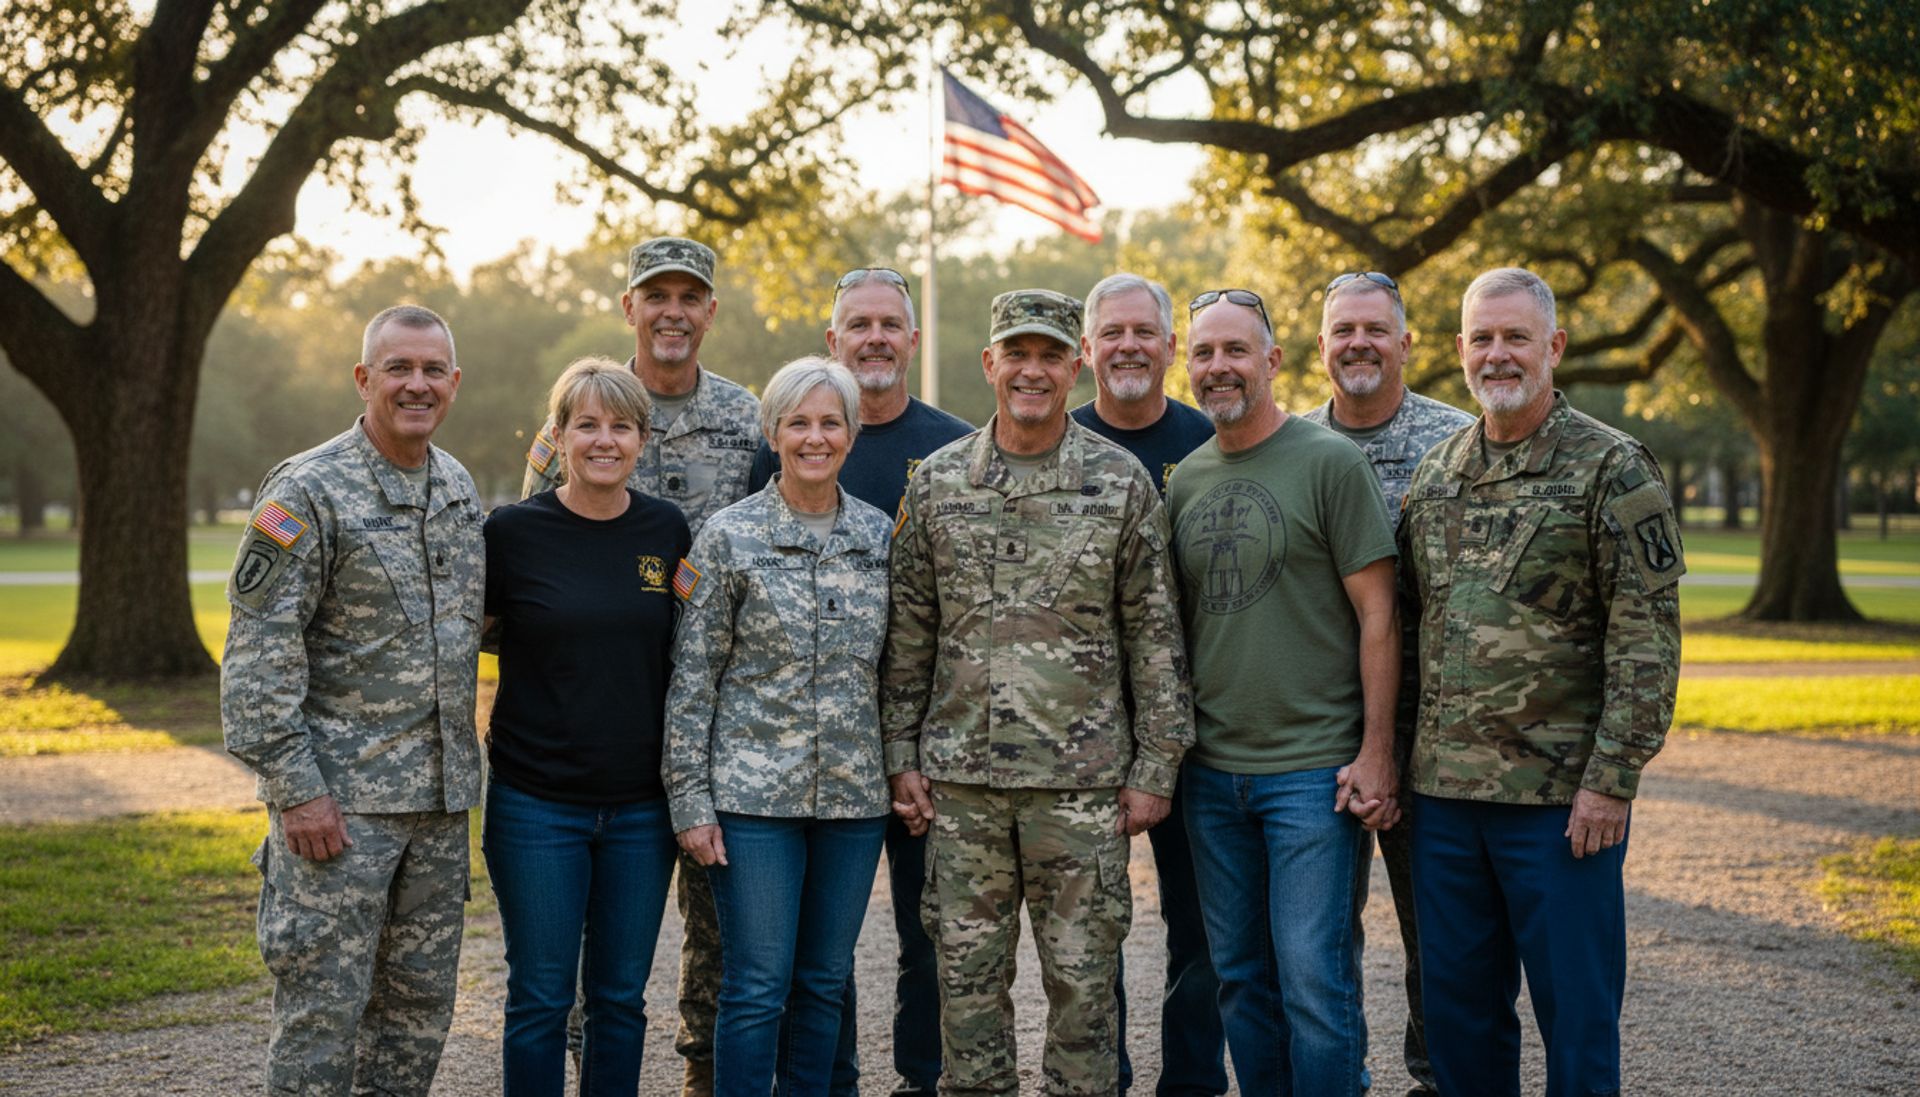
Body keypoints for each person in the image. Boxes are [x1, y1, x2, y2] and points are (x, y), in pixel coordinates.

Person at [883, 289, 1194, 1097]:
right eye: (1016, 352)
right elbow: (911, 633)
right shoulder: (941, 482)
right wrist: (900, 754)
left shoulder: (1120, 484)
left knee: (1085, 994)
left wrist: (1155, 766)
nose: (1032, 369)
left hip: (1081, 790)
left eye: (1050, 354)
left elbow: (1155, 636)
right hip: (963, 789)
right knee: (968, 995)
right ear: (990, 363)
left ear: (1075, 363)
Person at [1399, 267, 1683, 1097]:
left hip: (1561, 807)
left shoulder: (1612, 468)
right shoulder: (1437, 472)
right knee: (1458, 1021)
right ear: (1459, 352)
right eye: (1481, 339)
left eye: (1515, 336)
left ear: (1552, 345)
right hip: (1446, 802)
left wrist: (1612, 779)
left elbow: (1647, 637)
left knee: (1578, 1020)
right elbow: (1414, 627)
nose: (1497, 354)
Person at [222, 304, 483, 1096]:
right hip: (339, 815)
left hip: (437, 813)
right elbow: (257, 660)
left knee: (415, 1019)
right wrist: (298, 793)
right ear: (364, 378)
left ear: (454, 382)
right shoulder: (306, 490)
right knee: (321, 1022)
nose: (416, 384)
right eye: (398, 368)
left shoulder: (458, 484)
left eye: (432, 370)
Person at [517, 235, 757, 1097]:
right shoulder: (575, 415)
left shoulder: (747, 418)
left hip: (716, 715)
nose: (672, 311)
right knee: (585, 938)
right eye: (656, 295)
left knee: (718, 917)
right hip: (599, 716)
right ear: (630, 307)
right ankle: (587, 1062)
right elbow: (538, 563)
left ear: (708, 313)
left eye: (689, 296)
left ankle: (701, 1072)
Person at [1166, 288, 1400, 1097]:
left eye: (1236, 350)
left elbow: (1379, 614)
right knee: (1238, 976)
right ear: (1187, 367)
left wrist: (1376, 753)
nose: (1219, 366)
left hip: (1312, 773)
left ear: (1272, 361)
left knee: (1314, 979)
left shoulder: (1330, 462)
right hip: (1212, 772)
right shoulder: (1187, 479)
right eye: (1204, 353)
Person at [746, 266, 972, 1097]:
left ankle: (922, 1075)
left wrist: (924, 741)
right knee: (819, 946)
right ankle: (827, 1081)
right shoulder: (780, 448)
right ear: (831, 338)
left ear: (912, 339)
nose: (875, 337)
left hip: (922, 745)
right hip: (812, 750)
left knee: (928, 928)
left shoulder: (955, 447)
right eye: (858, 324)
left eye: (890, 323)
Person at [665, 357, 896, 1097]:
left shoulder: (879, 537)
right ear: (772, 432)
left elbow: (898, 673)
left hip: (853, 803)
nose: (814, 437)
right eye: (798, 422)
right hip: (752, 802)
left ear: (852, 434)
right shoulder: (729, 538)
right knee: (758, 985)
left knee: (824, 981)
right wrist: (691, 803)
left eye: (831, 421)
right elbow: (691, 678)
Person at [481, 358, 690, 1095]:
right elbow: (469, 639)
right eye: (588, 424)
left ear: (642, 438)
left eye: (622, 425)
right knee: (540, 997)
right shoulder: (509, 534)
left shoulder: (668, 529)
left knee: (619, 1000)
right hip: (536, 804)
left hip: (640, 807)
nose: (606, 440)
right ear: (559, 434)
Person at [1299, 270, 1474, 1097]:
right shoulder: (1285, 443)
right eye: (1343, 330)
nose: (1358, 344)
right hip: (1310, 734)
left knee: (1437, 938)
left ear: (1406, 343)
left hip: (1430, 737)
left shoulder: (1461, 444)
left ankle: (1436, 1078)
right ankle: (1337, 1078)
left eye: (1375, 329)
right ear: (1321, 346)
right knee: (1313, 942)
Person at [1070, 273, 1223, 1097]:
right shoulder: (1057, 441)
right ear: (1087, 348)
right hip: (1082, 727)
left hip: (1196, 728)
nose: (1127, 346)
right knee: (1090, 928)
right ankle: (1107, 1077)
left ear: (1170, 346)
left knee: (1199, 928)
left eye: (1144, 332)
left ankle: (1193, 1080)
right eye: (1111, 333)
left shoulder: (1212, 442)